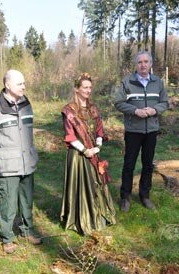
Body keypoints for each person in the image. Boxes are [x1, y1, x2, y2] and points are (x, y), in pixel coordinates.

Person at [0, 69, 41, 254]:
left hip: (27, 162)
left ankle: (26, 231)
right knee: (8, 202)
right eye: (19, 83)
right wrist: (2, 152)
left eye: (24, 83)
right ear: (7, 85)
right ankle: (7, 237)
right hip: (8, 165)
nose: (24, 86)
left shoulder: (26, 104)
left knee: (27, 200)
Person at [60, 73, 116, 235]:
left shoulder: (93, 108)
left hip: (94, 152)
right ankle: (82, 218)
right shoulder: (69, 111)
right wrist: (85, 150)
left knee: (96, 184)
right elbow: (70, 136)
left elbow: (99, 129)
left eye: (90, 87)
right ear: (77, 89)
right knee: (82, 187)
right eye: (84, 87)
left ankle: (98, 216)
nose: (88, 90)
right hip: (78, 156)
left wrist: (97, 146)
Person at [114, 51, 168, 212]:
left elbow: (165, 102)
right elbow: (118, 102)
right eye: (140, 62)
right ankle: (125, 197)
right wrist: (135, 111)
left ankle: (145, 196)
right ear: (136, 65)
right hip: (133, 130)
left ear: (151, 64)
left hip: (151, 130)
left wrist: (154, 110)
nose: (143, 65)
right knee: (129, 164)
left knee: (147, 164)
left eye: (146, 62)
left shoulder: (157, 82)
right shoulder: (127, 82)